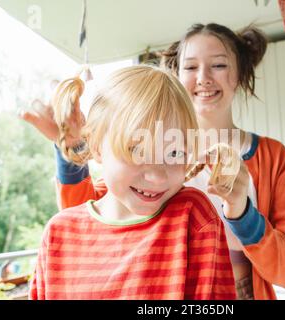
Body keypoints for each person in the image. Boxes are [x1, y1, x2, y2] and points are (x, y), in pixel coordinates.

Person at [22, 23, 285, 300]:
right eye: (190, 66)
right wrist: (74, 146)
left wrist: (243, 213)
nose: (203, 78)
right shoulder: (132, 164)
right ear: (175, 74)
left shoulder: (271, 157)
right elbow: (85, 231)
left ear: (240, 73)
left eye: (219, 65)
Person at [29, 65, 237, 300]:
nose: (158, 176)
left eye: (175, 154)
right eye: (137, 151)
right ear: (96, 147)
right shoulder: (59, 232)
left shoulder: (192, 215)